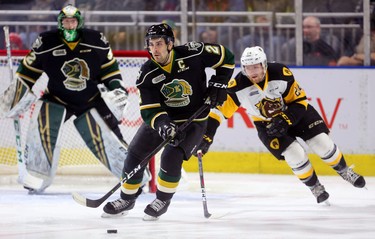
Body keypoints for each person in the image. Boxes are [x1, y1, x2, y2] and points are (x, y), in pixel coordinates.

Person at [196, 46, 366, 204]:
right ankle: (315, 186)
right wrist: (206, 136)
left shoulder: (280, 73)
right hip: (266, 124)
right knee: (295, 155)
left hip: (297, 113)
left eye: (256, 66)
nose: (252, 72)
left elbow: (300, 101)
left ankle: (344, 171)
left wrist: (285, 119)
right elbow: (218, 113)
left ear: (264, 65)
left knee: (322, 144)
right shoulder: (237, 87)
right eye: (248, 68)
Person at [102, 23, 235, 220]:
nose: (154, 49)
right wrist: (163, 125)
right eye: (150, 44)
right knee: (136, 152)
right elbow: (149, 109)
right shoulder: (147, 72)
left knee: (171, 156)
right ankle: (127, 198)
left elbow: (227, 57)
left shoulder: (193, 53)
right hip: (164, 119)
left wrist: (219, 82)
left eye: (158, 44)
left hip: (194, 120)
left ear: (170, 44)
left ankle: (162, 199)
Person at [0, 5, 130, 193]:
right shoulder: (46, 42)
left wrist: (117, 88)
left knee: (112, 140)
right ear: (60, 23)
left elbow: (110, 71)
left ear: (79, 22)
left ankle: (133, 174)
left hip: (91, 99)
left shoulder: (96, 40)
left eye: (73, 21)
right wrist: (15, 94)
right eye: (66, 22)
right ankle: (37, 176)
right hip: (57, 98)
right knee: (41, 131)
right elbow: (27, 73)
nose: (69, 25)